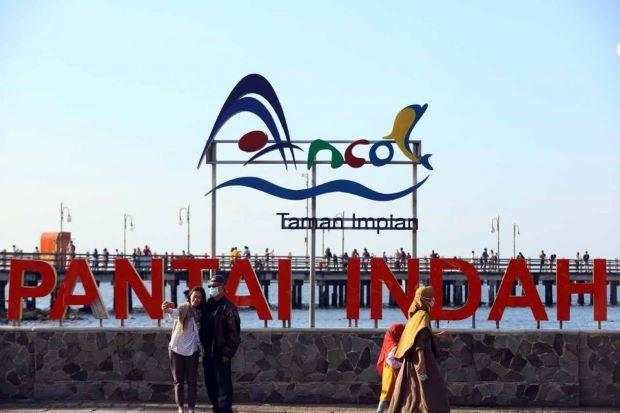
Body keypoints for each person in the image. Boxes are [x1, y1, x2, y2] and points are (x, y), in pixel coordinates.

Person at [388, 286, 449, 413]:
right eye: (431, 298)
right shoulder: (423, 315)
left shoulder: (415, 315)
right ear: (424, 299)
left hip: (411, 360)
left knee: (412, 390)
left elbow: (419, 335)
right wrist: (421, 361)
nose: (433, 300)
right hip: (423, 358)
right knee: (433, 391)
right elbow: (420, 340)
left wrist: (437, 336)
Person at [200, 274, 241, 413]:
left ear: (223, 288)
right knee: (210, 385)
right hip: (207, 353)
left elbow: (234, 334)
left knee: (223, 387)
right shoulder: (207, 306)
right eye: (210, 286)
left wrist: (227, 353)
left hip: (221, 354)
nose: (212, 288)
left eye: (215, 286)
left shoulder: (228, 307)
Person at [162, 287, 204, 413]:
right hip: (177, 350)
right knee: (178, 382)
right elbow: (174, 313)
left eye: (199, 297)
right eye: (194, 296)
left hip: (193, 351)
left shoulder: (202, 313)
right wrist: (167, 308)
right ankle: (180, 407)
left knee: (192, 382)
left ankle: (191, 408)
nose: (196, 299)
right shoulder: (184, 308)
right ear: (190, 297)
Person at [376, 323, 406, 413]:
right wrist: (403, 365)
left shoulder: (389, 341)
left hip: (388, 370)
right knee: (393, 392)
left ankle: (380, 410)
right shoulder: (394, 345)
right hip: (393, 372)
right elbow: (391, 360)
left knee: (386, 392)